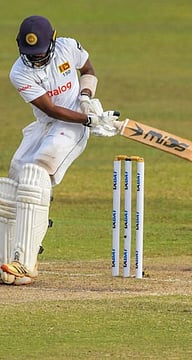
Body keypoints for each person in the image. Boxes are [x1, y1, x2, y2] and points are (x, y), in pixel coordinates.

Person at [0, 15, 119, 285]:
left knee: (36, 173)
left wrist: (86, 100)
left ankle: (25, 263)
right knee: (12, 181)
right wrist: (89, 119)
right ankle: (6, 262)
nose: (36, 59)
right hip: (48, 122)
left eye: (41, 53)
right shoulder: (19, 72)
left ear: (52, 42)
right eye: (31, 54)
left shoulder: (68, 47)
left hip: (71, 128)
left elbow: (88, 71)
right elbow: (50, 109)